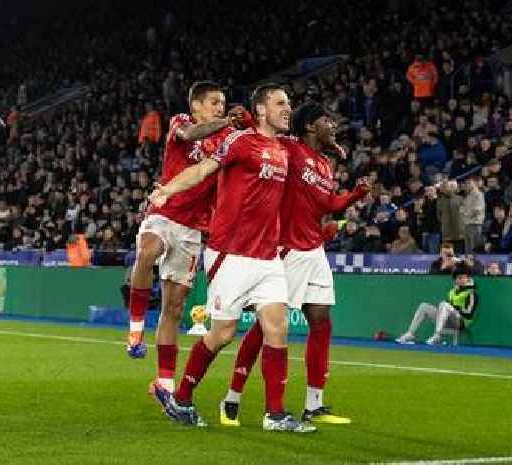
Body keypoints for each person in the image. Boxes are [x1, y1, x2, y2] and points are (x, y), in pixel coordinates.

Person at [148, 83, 314, 432]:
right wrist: (168, 190)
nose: (288, 108)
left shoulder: (283, 149)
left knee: (277, 328)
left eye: (290, 102)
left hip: (267, 257)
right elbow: (204, 168)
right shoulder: (240, 141)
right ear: (262, 110)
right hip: (231, 254)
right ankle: (181, 397)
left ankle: (275, 413)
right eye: (281, 103)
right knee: (222, 334)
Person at [219, 102, 369, 427]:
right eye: (327, 120)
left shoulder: (326, 165)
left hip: (314, 249)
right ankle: (232, 396)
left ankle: (314, 404)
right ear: (312, 126)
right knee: (266, 327)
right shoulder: (289, 148)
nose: (333, 125)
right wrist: (246, 116)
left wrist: (355, 195)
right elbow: (263, 132)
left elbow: (328, 204)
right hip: (288, 249)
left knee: (322, 320)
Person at [126, 82, 241, 397]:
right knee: (148, 250)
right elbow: (190, 137)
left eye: (223, 103)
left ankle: (164, 381)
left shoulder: (227, 140)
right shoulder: (180, 122)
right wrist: (229, 122)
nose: (221, 107)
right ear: (197, 106)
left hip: (192, 230)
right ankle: (135, 328)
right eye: (215, 102)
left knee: (174, 309)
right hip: (164, 211)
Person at [395, 266, 478, 346]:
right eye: (460, 278)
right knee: (424, 306)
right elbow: (446, 309)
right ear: (455, 280)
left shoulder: (471, 293)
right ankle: (410, 334)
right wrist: (445, 309)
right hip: (447, 319)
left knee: (443, 304)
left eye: (464, 278)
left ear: (468, 278)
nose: (463, 280)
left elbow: (469, 313)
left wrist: (454, 308)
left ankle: (437, 335)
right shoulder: (452, 292)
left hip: (460, 322)